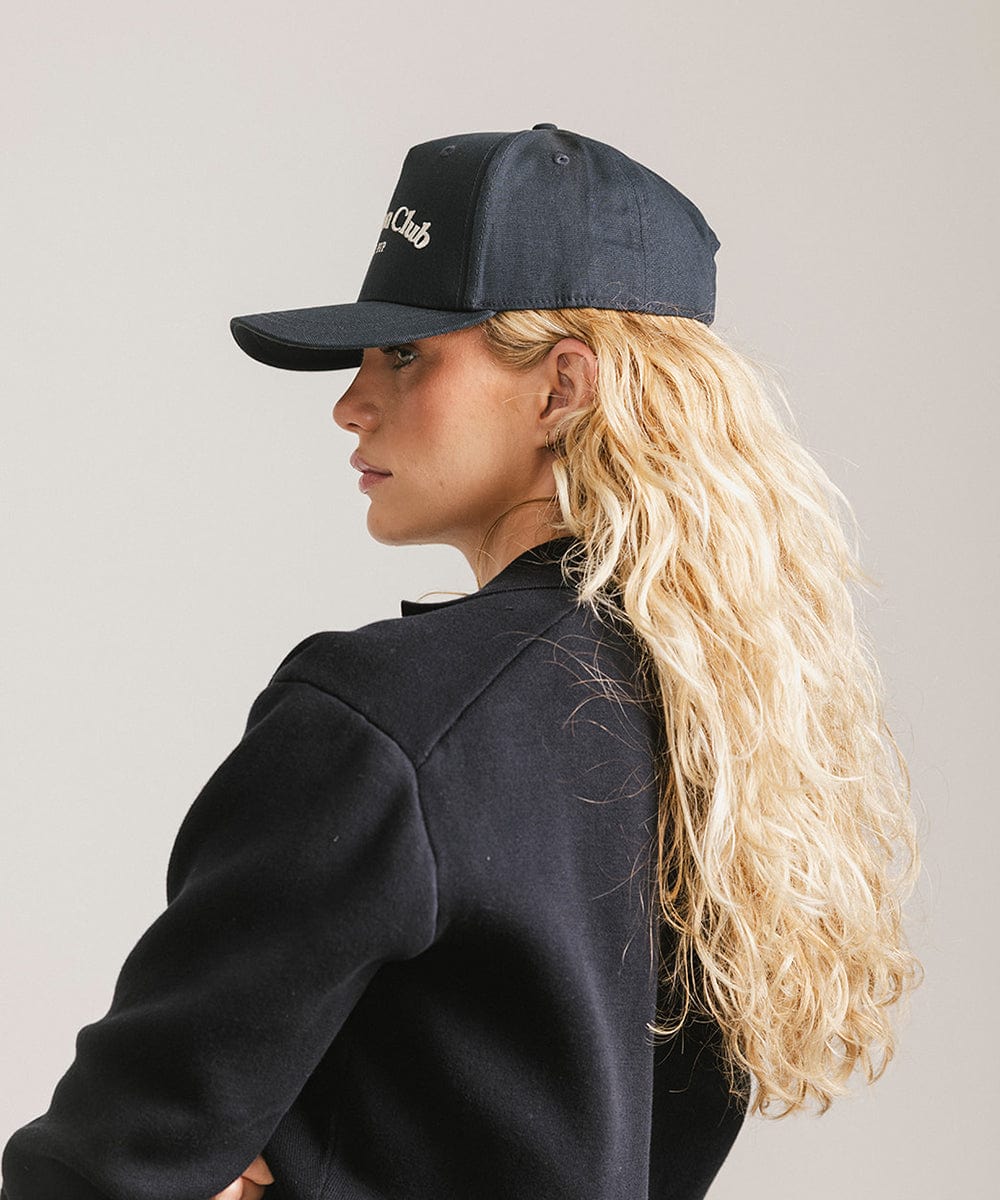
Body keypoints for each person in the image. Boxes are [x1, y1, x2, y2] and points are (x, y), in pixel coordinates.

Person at [1, 123, 923, 1200]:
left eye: (405, 355)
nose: (349, 403)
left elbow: (103, 1171)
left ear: (561, 387)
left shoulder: (392, 720)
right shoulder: (726, 729)